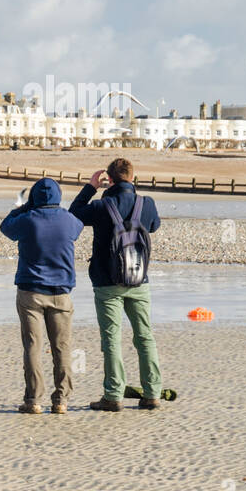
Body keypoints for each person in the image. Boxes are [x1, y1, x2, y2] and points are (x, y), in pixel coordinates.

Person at [69, 158, 163, 411]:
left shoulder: (102, 206)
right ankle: (153, 392)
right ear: (133, 177)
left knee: (112, 338)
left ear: (109, 179)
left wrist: (90, 187)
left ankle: (113, 395)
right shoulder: (147, 204)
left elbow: (74, 214)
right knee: (145, 337)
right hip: (139, 279)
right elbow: (154, 226)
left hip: (106, 280)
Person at [0, 178, 84, 414]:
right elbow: (77, 229)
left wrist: (27, 206)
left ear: (34, 198)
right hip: (61, 292)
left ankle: (33, 400)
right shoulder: (69, 221)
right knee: (62, 348)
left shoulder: (28, 219)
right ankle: (61, 400)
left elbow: (6, 226)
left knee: (33, 347)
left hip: (31, 291)